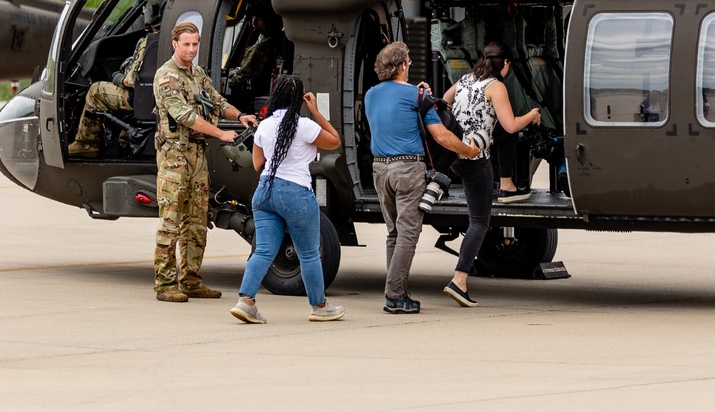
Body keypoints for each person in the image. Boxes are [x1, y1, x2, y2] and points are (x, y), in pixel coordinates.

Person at [363, 41, 480, 314]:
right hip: (408, 170)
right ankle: (394, 295)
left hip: (380, 168)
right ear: (403, 66)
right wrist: (468, 150)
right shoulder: (418, 98)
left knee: (394, 233)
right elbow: (440, 136)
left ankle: (398, 291)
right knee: (408, 234)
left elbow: (394, 108)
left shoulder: (370, 95)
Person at [153, 21, 258, 302]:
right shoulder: (166, 77)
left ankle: (190, 280)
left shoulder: (197, 74)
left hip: (198, 156)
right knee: (171, 221)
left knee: (197, 220)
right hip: (175, 157)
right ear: (175, 44)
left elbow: (217, 101)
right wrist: (220, 132)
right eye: (186, 44)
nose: (191, 49)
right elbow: (184, 115)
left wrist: (239, 116)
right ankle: (164, 284)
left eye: (195, 44)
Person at [230, 75, 344, 324]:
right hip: (295, 192)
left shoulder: (264, 126)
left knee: (263, 250)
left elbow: (258, 164)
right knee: (309, 254)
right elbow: (334, 140)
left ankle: (246, 301)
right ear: (299, 99)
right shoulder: (304, 125)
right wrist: (315, 111)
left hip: (265, 191)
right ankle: (319, 306)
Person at [442, 41, 541, 308]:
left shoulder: (465, 79)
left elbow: (442, 102)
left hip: (455, 154)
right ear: (506, 63)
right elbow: (510, 126)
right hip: (476, 159)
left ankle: (460, 279)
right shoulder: (496, 86)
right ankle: (459, 280)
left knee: (476, 220)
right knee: (479, 222)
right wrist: (532, 115)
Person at [69, 0, 165, 158]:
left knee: (96, 91)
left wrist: (117, 77)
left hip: (142, 99)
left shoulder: (151, 41)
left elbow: (132, 80)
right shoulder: (178, 38)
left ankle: (87, 144)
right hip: (158, 99)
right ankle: (123, 143)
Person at [227, 6, 285, 97]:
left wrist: (229, 77)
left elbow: (243, 76)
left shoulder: (263, 46)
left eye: (259, 18)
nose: (254, 21)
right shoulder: (274, 40)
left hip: (257, 94)